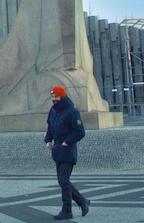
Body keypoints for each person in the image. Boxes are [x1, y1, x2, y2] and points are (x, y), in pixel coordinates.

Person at [44, 85, 90, 219]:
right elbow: (50, 129)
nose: (54, 99)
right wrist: (48, 140)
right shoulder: (53, 111)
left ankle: (67, 210)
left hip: (68, 151)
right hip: (58, 151)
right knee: (62, 181)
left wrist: (67, 142)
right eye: (52, 97)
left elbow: (80, 132)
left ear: (62, 97)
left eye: (56, 97)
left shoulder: (72, 112)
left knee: (63, 180)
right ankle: (82, 201)